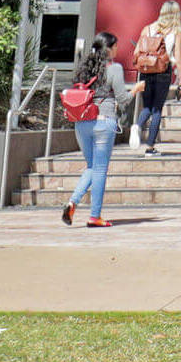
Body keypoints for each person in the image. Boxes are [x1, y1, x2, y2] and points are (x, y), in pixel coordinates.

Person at [63, 32, 130, 228]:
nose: (118, 50)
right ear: (108, 49)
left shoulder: (84, 69)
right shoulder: (114, 69)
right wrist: (136, 90)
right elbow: (123, 100)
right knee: (100, 170)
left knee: (92, 167)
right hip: (103, 122)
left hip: (82, 122)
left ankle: (72, 202)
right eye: (116, 46)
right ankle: (95, 215)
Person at [132, 0, 181, 158]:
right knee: (157, 109)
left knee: (147, 106)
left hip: (146, 70)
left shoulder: (147, 28)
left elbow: (136, 52)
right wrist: (180, 79)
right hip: (163, 71)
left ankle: (137, 125)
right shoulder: (175, 30)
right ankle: (150, 146)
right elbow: (178, 57)